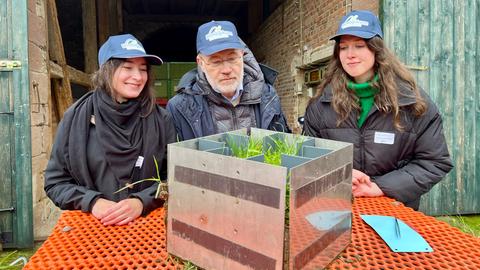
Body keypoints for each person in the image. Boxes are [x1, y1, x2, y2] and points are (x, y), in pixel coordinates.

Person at [303, 10, 453, 210]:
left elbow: (434, 161)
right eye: (343, 47)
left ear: (376, 49)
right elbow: (307, 156)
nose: (350, 55)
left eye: (359, 45)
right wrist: (339, 172)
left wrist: (380, 187)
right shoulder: (321, 104)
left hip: (394, 210)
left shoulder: (411, 102)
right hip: (336, 207)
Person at [44, 34, 176, 225]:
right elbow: (55, 183)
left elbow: (174, 179)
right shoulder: (76, 118)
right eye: (128, 67)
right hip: (94, 228)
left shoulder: (160, 119)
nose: (138, 77)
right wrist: (92, 202)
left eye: (143, 69)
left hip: (146, 226)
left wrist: (142, 201)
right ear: (106, 71)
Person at [166, 20, 289, 140]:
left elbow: (282, 148)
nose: (226, 69)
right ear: (201, 63)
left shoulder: (268, 97)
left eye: (232, 58)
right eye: (216, 61)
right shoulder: (180, 108)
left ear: (242, 55)